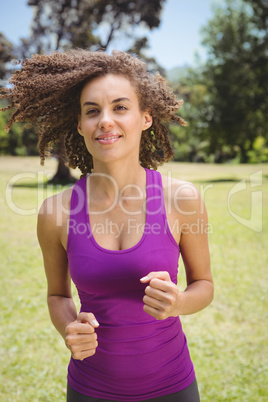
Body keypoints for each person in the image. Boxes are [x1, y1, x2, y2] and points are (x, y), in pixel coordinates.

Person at [1, 49, 213, 402]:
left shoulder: (182, 200)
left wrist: (179, 303)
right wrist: (69, 326)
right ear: (80, 124)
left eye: (120, 107)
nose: (105, 121)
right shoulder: (56, 212)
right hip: (90, 390)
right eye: (92, 111)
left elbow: (203, 285)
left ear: (145, 117)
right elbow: (57, 296)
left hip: (172, 386)